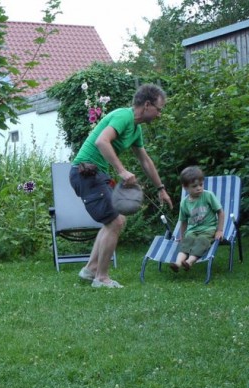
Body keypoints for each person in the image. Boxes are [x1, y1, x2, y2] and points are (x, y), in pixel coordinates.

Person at [69, 83, 174, 288]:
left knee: (114, 221)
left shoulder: (135, 129)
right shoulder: (123, 116)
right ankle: (101, 277)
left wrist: (161, 189)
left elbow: (145, 161)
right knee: (116, 221)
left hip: (96, 174)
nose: (159, 115)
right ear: (146, 105)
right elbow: (102, 141)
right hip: (87, 172)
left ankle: (90, 270)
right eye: (159, 109)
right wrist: (122, 171)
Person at [171, 166, 224, 272]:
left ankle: (189, 262)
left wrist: (219, 230)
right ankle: (177, 263)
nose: (199, 188)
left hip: (208, 229)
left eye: (201, 184)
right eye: (194, 186)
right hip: (192, 230)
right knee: (187, 242)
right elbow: (184, 221)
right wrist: (182, 236)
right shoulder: (184, 203)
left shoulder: (208, 196)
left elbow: (220, 212)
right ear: (185, 187)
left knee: (201, 241)